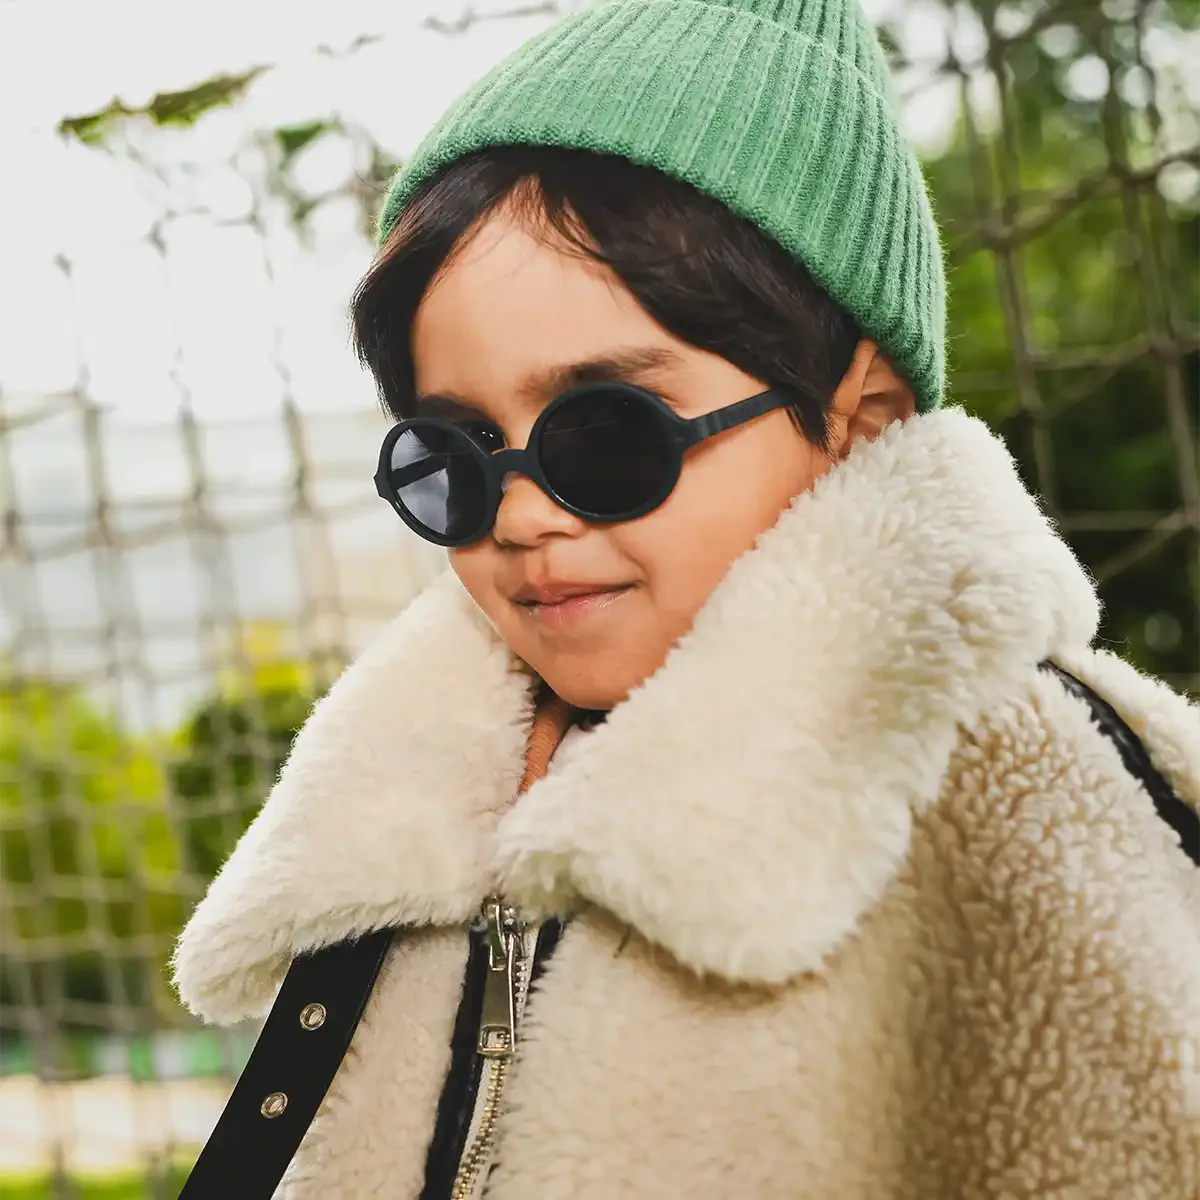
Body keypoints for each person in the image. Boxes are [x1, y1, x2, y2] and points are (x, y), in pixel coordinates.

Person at [173, 0, 1200, 1196]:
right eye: (452, 457)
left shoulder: (1019, 794)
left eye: (608, 436)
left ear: (862, 422)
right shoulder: (417, 822)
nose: (522, 515)